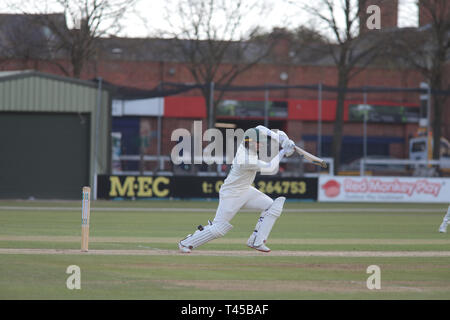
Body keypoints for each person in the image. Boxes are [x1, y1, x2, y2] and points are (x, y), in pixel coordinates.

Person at [178, 126, 295, 253]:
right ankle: (185, 243)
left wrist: (281, 138)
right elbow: (270, 167)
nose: (261, 145)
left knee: (273, 206)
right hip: (231, 194)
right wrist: (283, 151)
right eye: (258, 143)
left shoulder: (245, 142)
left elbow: (261, 128)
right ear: (250, 142)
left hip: (246, 190)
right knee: (219, 228)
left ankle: (257, 241)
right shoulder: (245, 159)